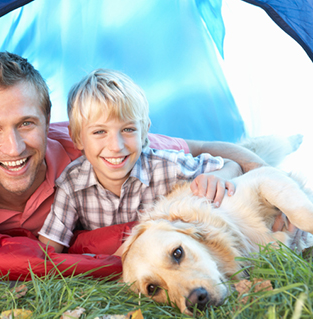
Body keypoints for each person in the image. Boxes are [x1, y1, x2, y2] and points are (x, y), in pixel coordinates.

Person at [0, 52, 269, 237]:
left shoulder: (96, 146)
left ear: (48, 119)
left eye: (26, 124)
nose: (13, 148)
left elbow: (204, 147)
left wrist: (262, 175)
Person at [37, 69, 242, 253]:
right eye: (100, 132)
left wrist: (219, 176)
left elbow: (231, 165)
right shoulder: (72, 184)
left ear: (144, 132)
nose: (116, 145)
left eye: (128, 130)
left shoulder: (166, 167)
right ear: (78, 138)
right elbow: (49, 248)